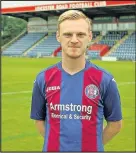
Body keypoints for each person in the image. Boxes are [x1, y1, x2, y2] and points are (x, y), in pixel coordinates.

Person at [30, 10, 122, 152]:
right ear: (58, 36)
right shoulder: (43, 78)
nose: (74, 40)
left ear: (89, 37)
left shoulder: (106, 80)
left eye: (80, 34)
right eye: (68, 34)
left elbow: (115, 125)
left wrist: (90, 145)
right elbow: (39, 121)